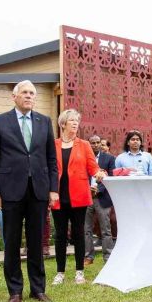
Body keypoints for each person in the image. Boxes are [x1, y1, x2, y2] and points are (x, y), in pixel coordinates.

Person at [0, 80, 58, 302]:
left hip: (38, 190)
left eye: (32, 93)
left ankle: (38, 289)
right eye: (24, 92)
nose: (29, 96)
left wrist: (53, 189)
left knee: (37, 242)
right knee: (12, 242)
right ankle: (15, 291)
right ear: (14, 96)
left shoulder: (44, 122)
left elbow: (51, 159)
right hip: (10, 191)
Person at [51, 110, 105, 286]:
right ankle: (60, 272)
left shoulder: (84, 145)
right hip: (58, 196)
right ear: (63, 124)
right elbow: (49, 169)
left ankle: (79, 272)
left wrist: (99, 173)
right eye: (71, 120)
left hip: (79, 196)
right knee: (60, 235)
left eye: (77, 120)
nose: (75, 123)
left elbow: (93, 167)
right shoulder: (53, 145)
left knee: (79, 234)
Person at [84, 135, 116, 265]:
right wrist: (88, 190)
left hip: (102, 198)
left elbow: (111, 177)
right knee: (86, 229)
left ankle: (108, 256)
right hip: (86, 197)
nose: (96, 145)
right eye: (93, 143)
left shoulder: (109, 159)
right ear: (89, 144)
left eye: (98, 142)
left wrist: (98, 189)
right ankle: (88, 256)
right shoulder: (84, 158)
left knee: (106, 229)